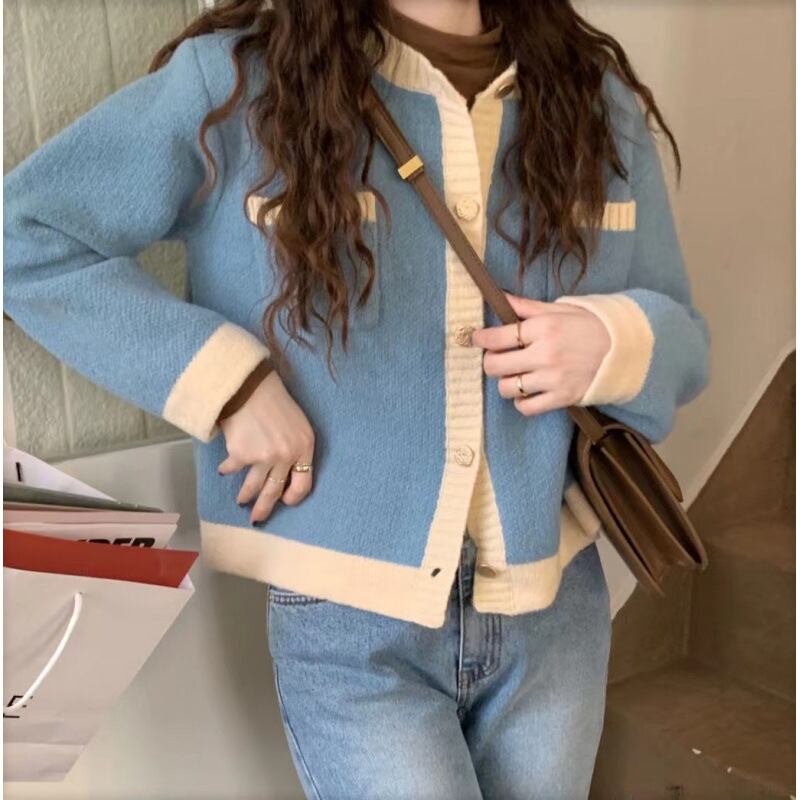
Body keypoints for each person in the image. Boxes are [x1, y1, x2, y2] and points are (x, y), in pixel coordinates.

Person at [3, 0, 710, 796]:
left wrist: (611, 343)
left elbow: (684, 338)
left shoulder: (592, 95)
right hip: (351, 621)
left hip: (555, 604)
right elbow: (26, 236)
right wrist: (231, 385)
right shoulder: (242, 81)